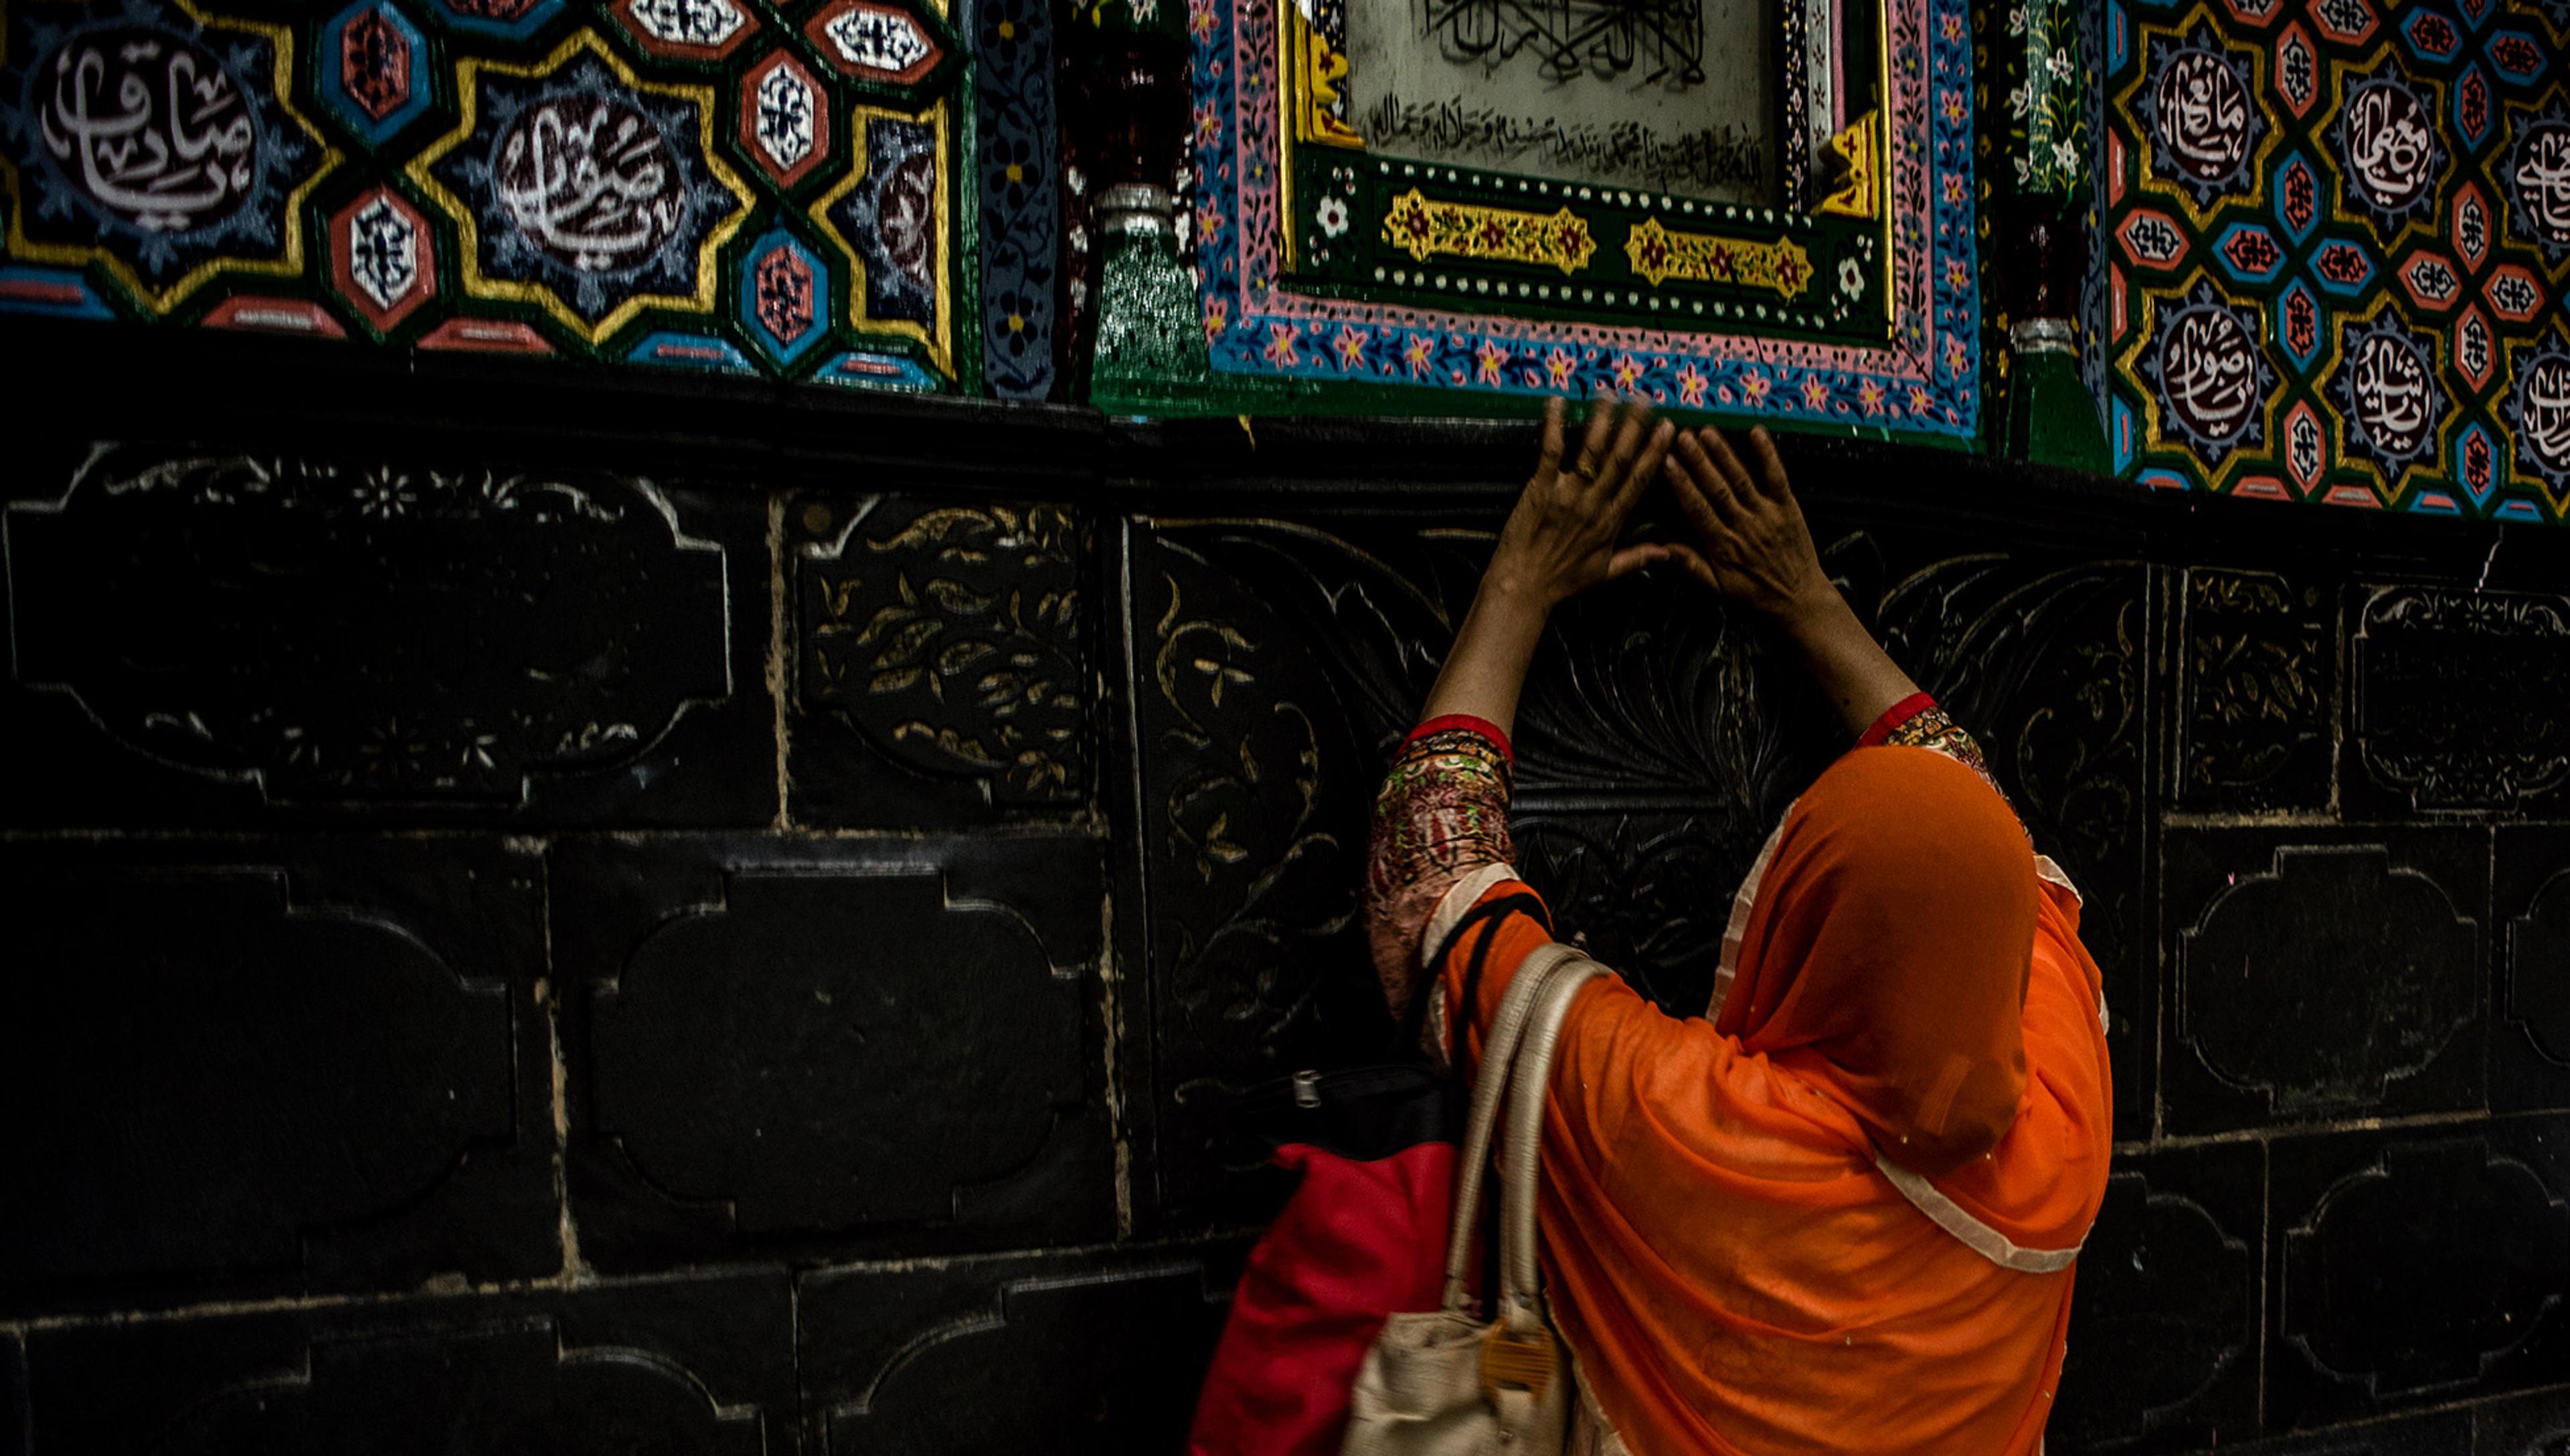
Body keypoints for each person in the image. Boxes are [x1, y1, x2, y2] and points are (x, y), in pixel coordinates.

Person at [1363, 395, 2114, 1456]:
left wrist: (1519, 583)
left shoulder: (1680, 1121)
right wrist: (1811, 602)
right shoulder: (2060, 1113)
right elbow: (1980, 840)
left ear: (1795, 906)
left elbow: (1433, 887)